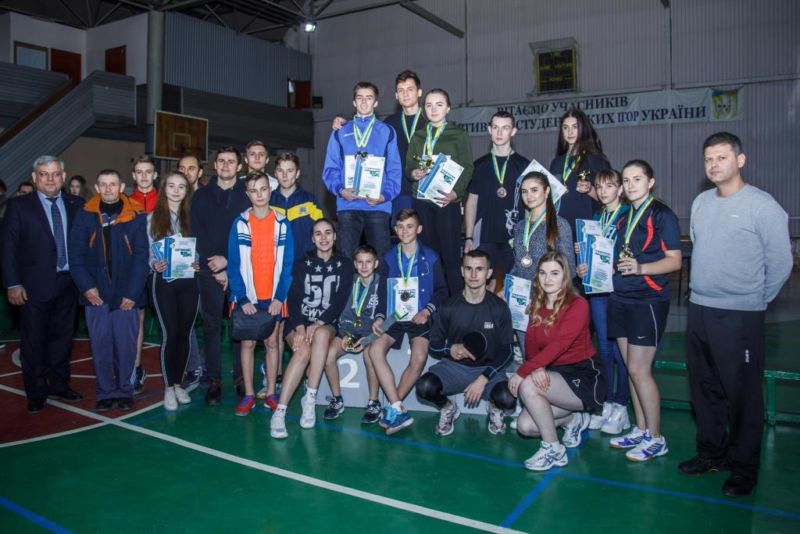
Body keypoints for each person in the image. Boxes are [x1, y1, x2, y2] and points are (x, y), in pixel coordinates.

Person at [679, 132, 792, 497]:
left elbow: (781, 263)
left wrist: (753, 299)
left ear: (740, 160)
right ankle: (711, 453)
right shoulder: (701, 203)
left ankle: (744, 467)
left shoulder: (762, 206)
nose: (714, 165)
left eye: (722, 157)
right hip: (700, 310)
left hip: (740, 315)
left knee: (743, 394)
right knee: (704, 388)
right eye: (708, 159)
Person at [607, 159, 681, 461]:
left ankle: (656, 437)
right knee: (630, 368)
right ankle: (641, 429)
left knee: (640, 370)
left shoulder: (662, 215)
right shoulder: (624, 217)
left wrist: (640, 268)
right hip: (620, 297)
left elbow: (674, 260)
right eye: (626, 180)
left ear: (650, 182)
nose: (630, 185)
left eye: (637, 179)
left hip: (647, 300)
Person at [508, 251, 606, 471]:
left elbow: (559, 345)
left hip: (584, 376)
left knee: (528, 386)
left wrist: (524, 372)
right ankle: (573, 421)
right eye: (543, 273)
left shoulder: (578, 305)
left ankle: (553, 449)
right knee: (525, 426)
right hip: (555, 374)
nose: (547, 279)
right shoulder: (537, 305)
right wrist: (537, 367)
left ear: (565, 276)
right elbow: (531, 346)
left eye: (554, 273)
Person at [2, 156, 85, 412]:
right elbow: (8, 248)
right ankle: (36, 391)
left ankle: (60, 384)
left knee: (63, 339)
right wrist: (13, 283)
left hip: (69, 284)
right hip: (32, 287)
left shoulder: (77, 204)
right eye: (43, 174)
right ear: (34, 177)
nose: (50, 179)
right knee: (34, 341)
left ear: (63, 176)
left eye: (55, 174)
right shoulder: (18, 206)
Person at [69, 169, 149, 411]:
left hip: (127, 295)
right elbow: (75, 255)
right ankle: (104, 392)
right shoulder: (85, 215)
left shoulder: (136, 215)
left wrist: (132, 293)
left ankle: (125, 390)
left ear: (122, 186)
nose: (108, 188)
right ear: (96, 188)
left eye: (112, 184)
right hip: (96, 295)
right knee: (100, 345)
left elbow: (141, 257)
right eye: (103, 184)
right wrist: (86, 288)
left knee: (126, 347)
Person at [366, 209, 448, 434]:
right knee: (374, 350)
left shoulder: (431, 257)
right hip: (395, 315)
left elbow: (442, 290)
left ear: (418, 229)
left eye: (409, 226)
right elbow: (382, 292)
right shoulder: (388, 257)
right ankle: (396, 407)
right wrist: (380, 316)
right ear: (395, 229)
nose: (404, 231)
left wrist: (427, 311)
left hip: (419, 316)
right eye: (400, 227)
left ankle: (393, 408)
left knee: (419, 356)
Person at [417, 250, 517, 436]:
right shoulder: (449, 306)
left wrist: (484, 378)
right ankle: (448, 408)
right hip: (454, 368)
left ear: (488, 273)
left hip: (488, 369)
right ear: (462, 271)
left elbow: (508, 351)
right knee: (424, 387)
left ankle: (494, 407)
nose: (473, 274)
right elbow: (434, 344)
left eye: (479, 269)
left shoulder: (499, 308)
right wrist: (450, 348)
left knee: (507, 399)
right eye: (469, 269)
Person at [270, 219, 352, 438]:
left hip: (326, 322)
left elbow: (340, 300)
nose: (323, 238)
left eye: (328, 233)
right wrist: (299, 327)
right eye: (318, 233)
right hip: (299, 321)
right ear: (312, 238)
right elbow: (293, 298)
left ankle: (310, 400)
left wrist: (318, 323)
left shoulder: (345, 264)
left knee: (322, 335)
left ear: (335, 236)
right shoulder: (302, 263)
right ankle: (280, 412)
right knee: (303, 351)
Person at [227, 171, 294, 417]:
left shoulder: (282, 223)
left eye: (263, 189)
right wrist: (242, 297)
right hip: (248, 297)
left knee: (272, 343)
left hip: (274, 297)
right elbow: (234, 264)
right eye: (254, 190)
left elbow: (287, 265)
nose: (259, 195)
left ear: (270, 190)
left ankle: (271, 393)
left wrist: (279, 297)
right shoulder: (239, 223)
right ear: (248, 194)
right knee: (247, 343)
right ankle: (248, 394)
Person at [191, 146, 251, 404]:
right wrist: (215, 265)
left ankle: (241, 378)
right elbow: (196, 231)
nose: (226, 165)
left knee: (240, 325)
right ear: (215, 165)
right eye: (221, 161)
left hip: (240, 269)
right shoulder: (200, 196)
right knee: (211, 326)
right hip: (209, 269)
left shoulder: (248, 194)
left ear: (239, 166)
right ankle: (213, 379)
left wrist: (228, 263)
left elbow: (250, 232)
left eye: (231, 161)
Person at [575, 169, 631, 434]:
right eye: (599, 186)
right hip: (598, 291)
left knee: (622, 353)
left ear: (620, 189)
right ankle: (607, 402)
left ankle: (622, 405)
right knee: (605, 351)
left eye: (609, 186)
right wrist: (582, 261)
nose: (604, 191)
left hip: (620, 291)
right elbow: (593, 255)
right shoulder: (597, 218)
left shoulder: (627, 216)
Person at [265, 152, 324, 402]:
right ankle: (274, 377)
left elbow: (322, 234)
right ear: (275, 174)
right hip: (275, 273)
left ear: (298, 173)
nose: (285, 175)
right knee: (275, 329)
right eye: (281, 170)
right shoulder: (268, 200)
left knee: (300, 325)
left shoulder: (309, 200)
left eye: (290, 170)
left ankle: (306, 377)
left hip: (304, 274)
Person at [322, 81, 402, 259]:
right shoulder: (340, 132)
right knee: (346, 260)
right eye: (360, 98)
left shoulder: (387, 132)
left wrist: (385, 196)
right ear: (354, 102)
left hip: (378, 205)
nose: (364, 102)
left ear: (376, 102)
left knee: (381, 260)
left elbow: (394, 169)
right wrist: (341, 190)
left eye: (369, 98)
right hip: (348, 205)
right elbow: (330, 169)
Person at [406, 88, 474, 295]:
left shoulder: (459, 135)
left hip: (447, 202)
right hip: (422, 202)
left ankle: (457, 303)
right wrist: (414, 173)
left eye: (439, 104)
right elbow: (409, 167)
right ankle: (431, 302)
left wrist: (456, 194)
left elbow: (468, 166)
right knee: (428, 256)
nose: (433, 109)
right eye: (429, 105)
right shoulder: (418, 136)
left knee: (451, 256)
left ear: (448, 108)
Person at [147, 171, 199, 411]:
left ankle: (179, 383)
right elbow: (147, 252)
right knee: (171, 334)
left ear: (187, 191)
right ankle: (168, 387)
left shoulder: (193, 218)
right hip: (164, 282)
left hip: (189, 282)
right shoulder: (152, 219)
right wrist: (154, 263)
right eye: (171, 186)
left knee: (185, 333)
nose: (176, 190)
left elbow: (199, 248)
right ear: (164, 189)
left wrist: (197, 261)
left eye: (181, 186)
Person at [509, 172, 574, 356]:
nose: (528, 195)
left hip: (549, 301)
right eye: (524, 191)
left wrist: (543, 299)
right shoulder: (520, 226)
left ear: (546, 192)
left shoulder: (560, 225)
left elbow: (569, 268)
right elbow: (519, 263)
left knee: (546, 357)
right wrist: (507, 288)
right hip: (522, 299)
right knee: (527, 355)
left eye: (534, 190)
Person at [464, 111, 530, 282]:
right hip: (484, 237)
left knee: (516, 286)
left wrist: (528, 237)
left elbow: (531, 204)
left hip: (515, 237)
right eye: (495, 127)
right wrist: (469, 237)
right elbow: (471, 202)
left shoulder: (525, 166)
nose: (499, 133)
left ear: (513, 131)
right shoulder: (479, 166)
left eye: (505, 128)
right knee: (481, 285)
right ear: (489, 130)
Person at [322, 244, 384, 422]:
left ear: (376, 263)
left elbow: (385, 317)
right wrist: (347, 336)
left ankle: (374, 402)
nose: (364, 266)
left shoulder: (382, 283)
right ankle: (337, 399)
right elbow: (344, 313)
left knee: (369, 355)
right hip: (349, 332)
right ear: (355, 264)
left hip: (371, 334)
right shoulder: (349, 282)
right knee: (328, 355)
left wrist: (367, 339)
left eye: (368, 262)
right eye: (360, 262)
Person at [549, 108, 610, 235]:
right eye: (565, 127)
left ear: (583, 129)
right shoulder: (556, 162)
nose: (570, 132)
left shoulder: (596, 160)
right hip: (559, 227)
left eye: (575, 127)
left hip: (586, 228)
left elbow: (610, 196)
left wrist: (590, 189)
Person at [129, 155, 158, 394]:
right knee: (137, 319)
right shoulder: (126, 203)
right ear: (133, 176)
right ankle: (136, 367)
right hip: (137, 271)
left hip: (163, 269)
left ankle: (178, 372)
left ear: (155, 175)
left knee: (170, 320)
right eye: (140, 172)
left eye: (148, 172)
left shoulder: (167, 200)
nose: (144, 176)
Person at [383, 70, 428, 222]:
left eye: (410, 89)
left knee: (427, 234)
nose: (405, 94)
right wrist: (343, 125)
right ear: (396, 95)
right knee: (402, 234)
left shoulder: (430, 120)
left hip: (427, 190)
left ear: (419, 92)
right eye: (401, 90)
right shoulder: (389, 123)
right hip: (399, 191)